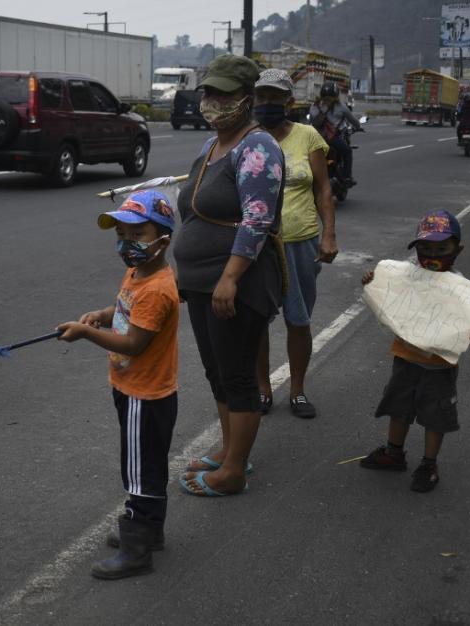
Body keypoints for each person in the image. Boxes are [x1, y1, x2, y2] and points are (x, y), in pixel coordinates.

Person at [172, 54, 285, 497]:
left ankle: (234, 470)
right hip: (203, 281)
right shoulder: (214, 144)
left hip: (235, 283)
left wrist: (231, 276)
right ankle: (229, 449)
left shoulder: (258, 147)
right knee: (216, 371)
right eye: (208, 92)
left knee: (237, 374)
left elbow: (258, 219)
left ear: (247, 98)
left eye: (223, 94)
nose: (211, 101)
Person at [57, 190, 179, 579]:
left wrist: (85, 334)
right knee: (148, 466)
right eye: (121, 235)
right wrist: (102, 315)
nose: (127, 244)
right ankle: (151, 533)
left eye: (137, 234)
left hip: (146, 394)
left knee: (140, 471)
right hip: (136, 389)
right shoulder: (137, 273)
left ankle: (137, 550)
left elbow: (134, 343)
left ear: (163, 238)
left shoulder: (157, 288)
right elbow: (126, 310)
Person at [358, 210, 470, 492]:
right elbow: (387, 292)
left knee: (435, 414)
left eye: (442, 248)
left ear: (457, 250)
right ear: (416, 248)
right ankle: (394, 452)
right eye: (426, 248)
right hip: (406, 356)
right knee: (399, 406)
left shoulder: (459, 286)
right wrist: (372, 281)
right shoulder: (407, 273)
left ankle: (429, 463)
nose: (433, 254)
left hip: (440, 365)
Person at [252, 68, 338, 418]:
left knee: (298, 320)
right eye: (263, 97)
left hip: (300, 242)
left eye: (276, 97)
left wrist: (329, 232)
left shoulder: (308, 136)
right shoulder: (250, 138)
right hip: (257, 244)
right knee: (257, 320)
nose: (269, 103)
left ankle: (298, 390)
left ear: (289, 101)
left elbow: (323, 188)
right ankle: (262, 388)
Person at [310, 82, 362, 186]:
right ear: (336, 94)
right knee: (347, 152)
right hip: (332, 139)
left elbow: (311, 121)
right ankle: (347, 177)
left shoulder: (314, 106)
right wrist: (358, 127)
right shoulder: (341, 107)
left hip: (316, 139)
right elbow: (353, 121)